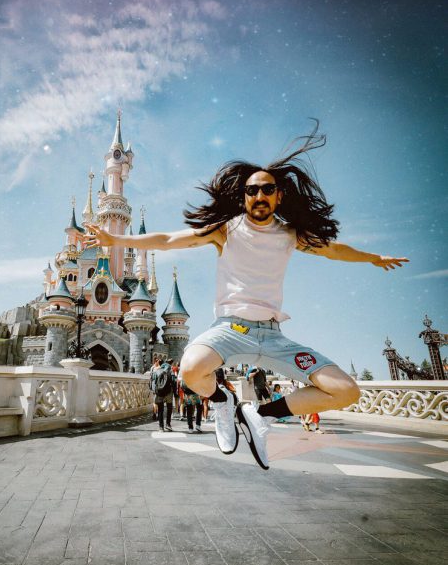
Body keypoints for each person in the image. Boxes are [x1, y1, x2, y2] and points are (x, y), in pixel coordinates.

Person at [84, 122, 408, 470]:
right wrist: (116, 241)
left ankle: (260, 415)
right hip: (231, 329)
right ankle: (223, 401)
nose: (260, 196)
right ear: (244, 196)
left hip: (273, 335)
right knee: (190, 370)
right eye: (252, 190)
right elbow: (169, 240)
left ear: (279, 195)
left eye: (268, 189)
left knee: (346, 391)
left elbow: (333, 249)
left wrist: (373, 257)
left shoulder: (290, 234)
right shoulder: (227, 229)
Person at [152, 357, 175, 432]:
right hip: (168, 392)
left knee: (160, 409)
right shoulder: (170, 371)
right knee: (169, 408)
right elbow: (173, 382)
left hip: (160, 393)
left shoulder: (157, 371)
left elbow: (154, 382)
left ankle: (161, 427)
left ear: (160, 364)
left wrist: (155, 391)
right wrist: (174, 391)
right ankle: (168, 424)